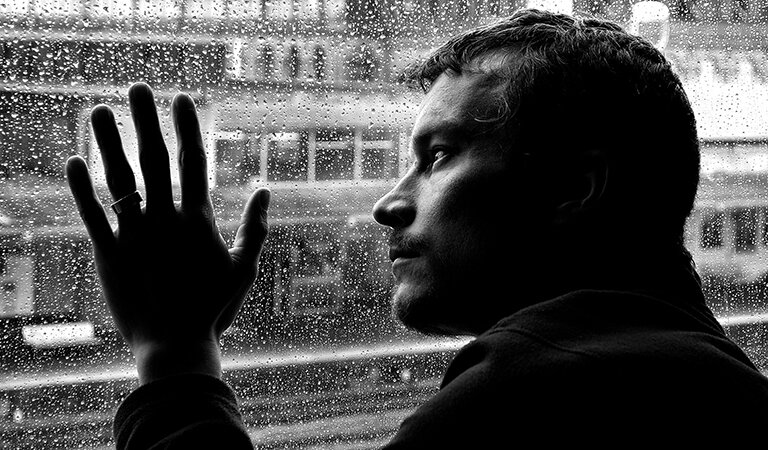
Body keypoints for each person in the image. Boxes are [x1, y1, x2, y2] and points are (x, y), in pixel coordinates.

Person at [65, 9, 768, 449]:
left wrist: (174, 356)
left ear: (573, 188)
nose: (389, 203)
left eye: (438, 157)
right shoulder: (714, 380)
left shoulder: (536, 394)